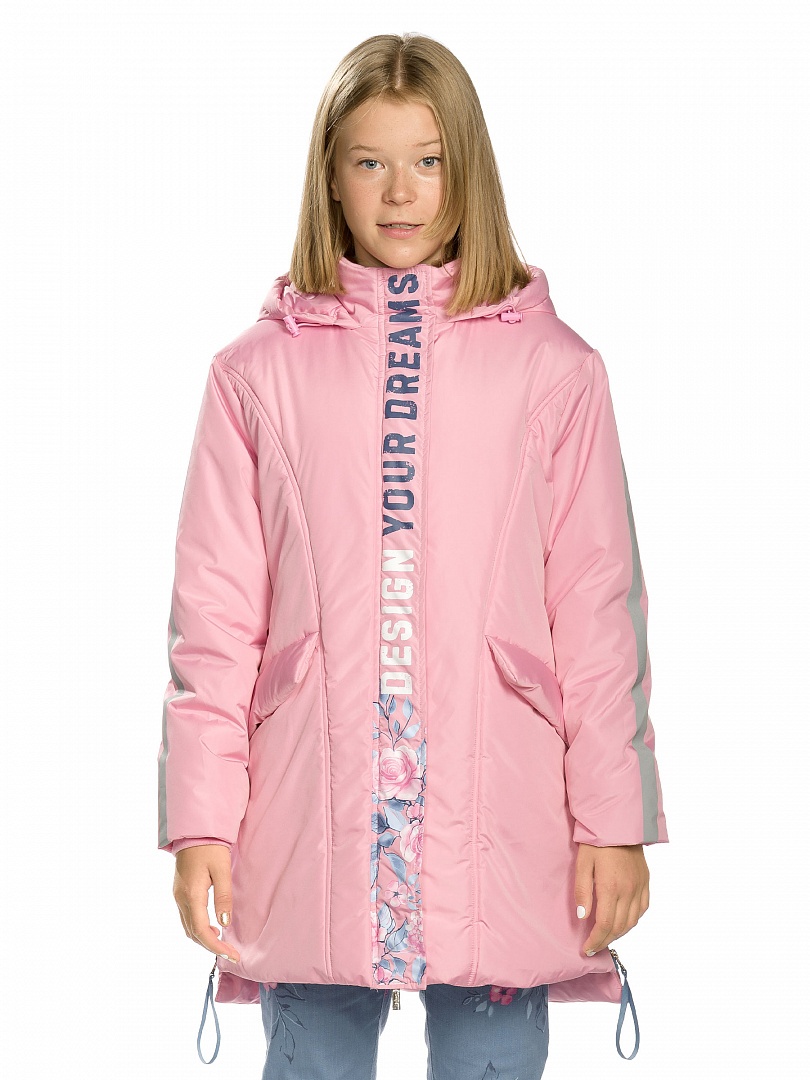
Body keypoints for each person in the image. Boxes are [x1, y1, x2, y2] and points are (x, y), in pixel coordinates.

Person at [158, 32, 668, 1080]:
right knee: (315, 1055)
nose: (401, 193)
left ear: (467, 169)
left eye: (429, 160)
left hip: (504, 811)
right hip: (311, 813)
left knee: (490, 1057)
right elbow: (215, 619)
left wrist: (614, 821)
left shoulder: (555, 370)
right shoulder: (254, 376)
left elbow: (597, 609)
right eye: (370, 161)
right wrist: (200, 818)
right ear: (330, 177)